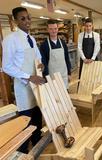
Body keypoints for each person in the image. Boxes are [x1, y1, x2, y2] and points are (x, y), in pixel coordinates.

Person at [2, 7, 46, 153]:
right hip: (24, 86)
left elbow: (37, 56)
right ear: (15, 21)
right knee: (26, 121)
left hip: (36, 85)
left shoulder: (32, 38)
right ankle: (22, 152)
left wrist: (40, 64)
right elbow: (6, 67)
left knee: (37, 117)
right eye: (22, 18)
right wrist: (29, 77)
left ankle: (37, 145)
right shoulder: (10, 40)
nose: (27, 21)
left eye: (28, 18)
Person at [40, 19, 71, 88]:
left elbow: (67, 58)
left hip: (63, 75)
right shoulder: (44, 45)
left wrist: (69, 73)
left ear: (58, 29)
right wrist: (46, 77)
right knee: (55, 96)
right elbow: (44, 63)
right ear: (47, 30)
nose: (53, 31)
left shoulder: (63, 43)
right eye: (51, 29)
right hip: (52, 77)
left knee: (64, 94)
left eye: (55, 28)